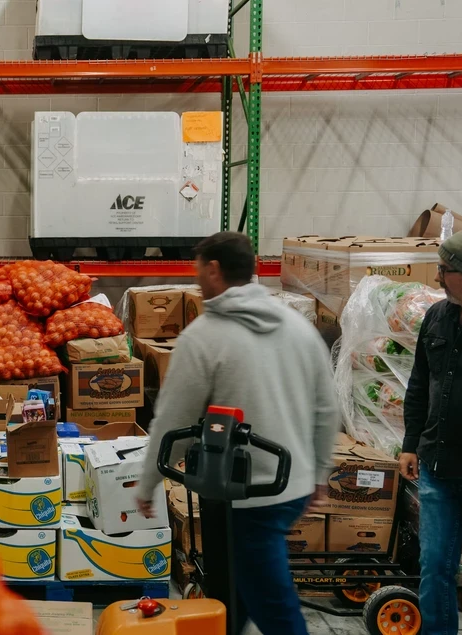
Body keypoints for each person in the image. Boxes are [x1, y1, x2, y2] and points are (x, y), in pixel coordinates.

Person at [136, 231, 338, 635]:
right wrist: (317, 472)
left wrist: (146, 483)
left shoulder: (204, 336)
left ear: (214, 270)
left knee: (271, 603)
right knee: (235, 593)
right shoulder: (297, 327)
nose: (196, 279)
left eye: (198, 269)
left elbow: (174, 420)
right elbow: (325, 407)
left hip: (245, 495)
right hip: (291, 483)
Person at [401, 227, 462, 635]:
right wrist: (410, 443)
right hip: (437, 468)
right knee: (433, 569)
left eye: (444, 269)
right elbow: (419, 382)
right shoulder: (437, 316)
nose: (436, 277)